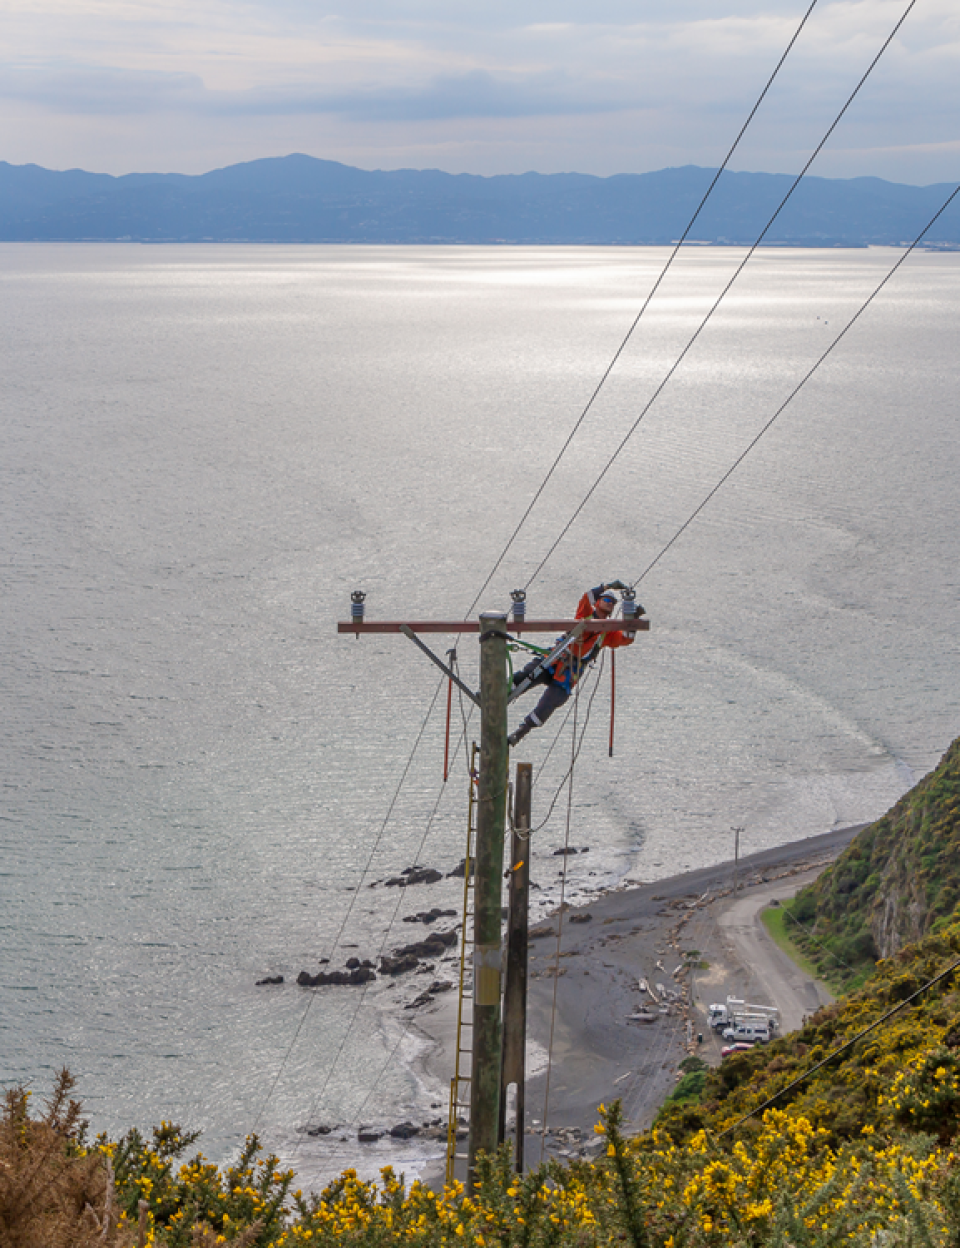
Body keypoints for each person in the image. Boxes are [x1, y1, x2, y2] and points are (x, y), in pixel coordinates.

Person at [508, 582, 641, 747]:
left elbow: (625, 638)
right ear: (598, 602)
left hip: (569, 673)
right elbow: (586, 597)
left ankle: (520, 732)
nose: (610, 603)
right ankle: (493, 694)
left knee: (548, 704)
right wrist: (605, 587)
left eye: (612, 602)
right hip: (556, 658)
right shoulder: (585, 614)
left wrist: (633, 621)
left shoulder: (608, 631)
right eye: (606, 599)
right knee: (526, 675)